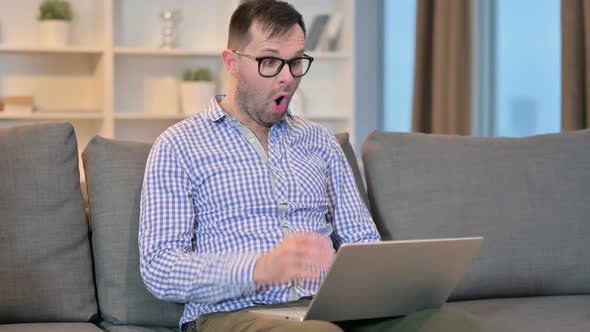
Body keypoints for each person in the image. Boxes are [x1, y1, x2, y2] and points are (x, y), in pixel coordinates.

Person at [139, 1, 485, 331]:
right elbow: (160, 268)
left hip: (326, 308)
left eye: (296, 62)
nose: (287, 77)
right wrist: (258, 269)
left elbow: (361, 239)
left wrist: (391, 281)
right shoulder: (179, 145)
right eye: (270, 62)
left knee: (453, 325)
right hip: (232, 313)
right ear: (231, 62)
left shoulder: (320, 142)